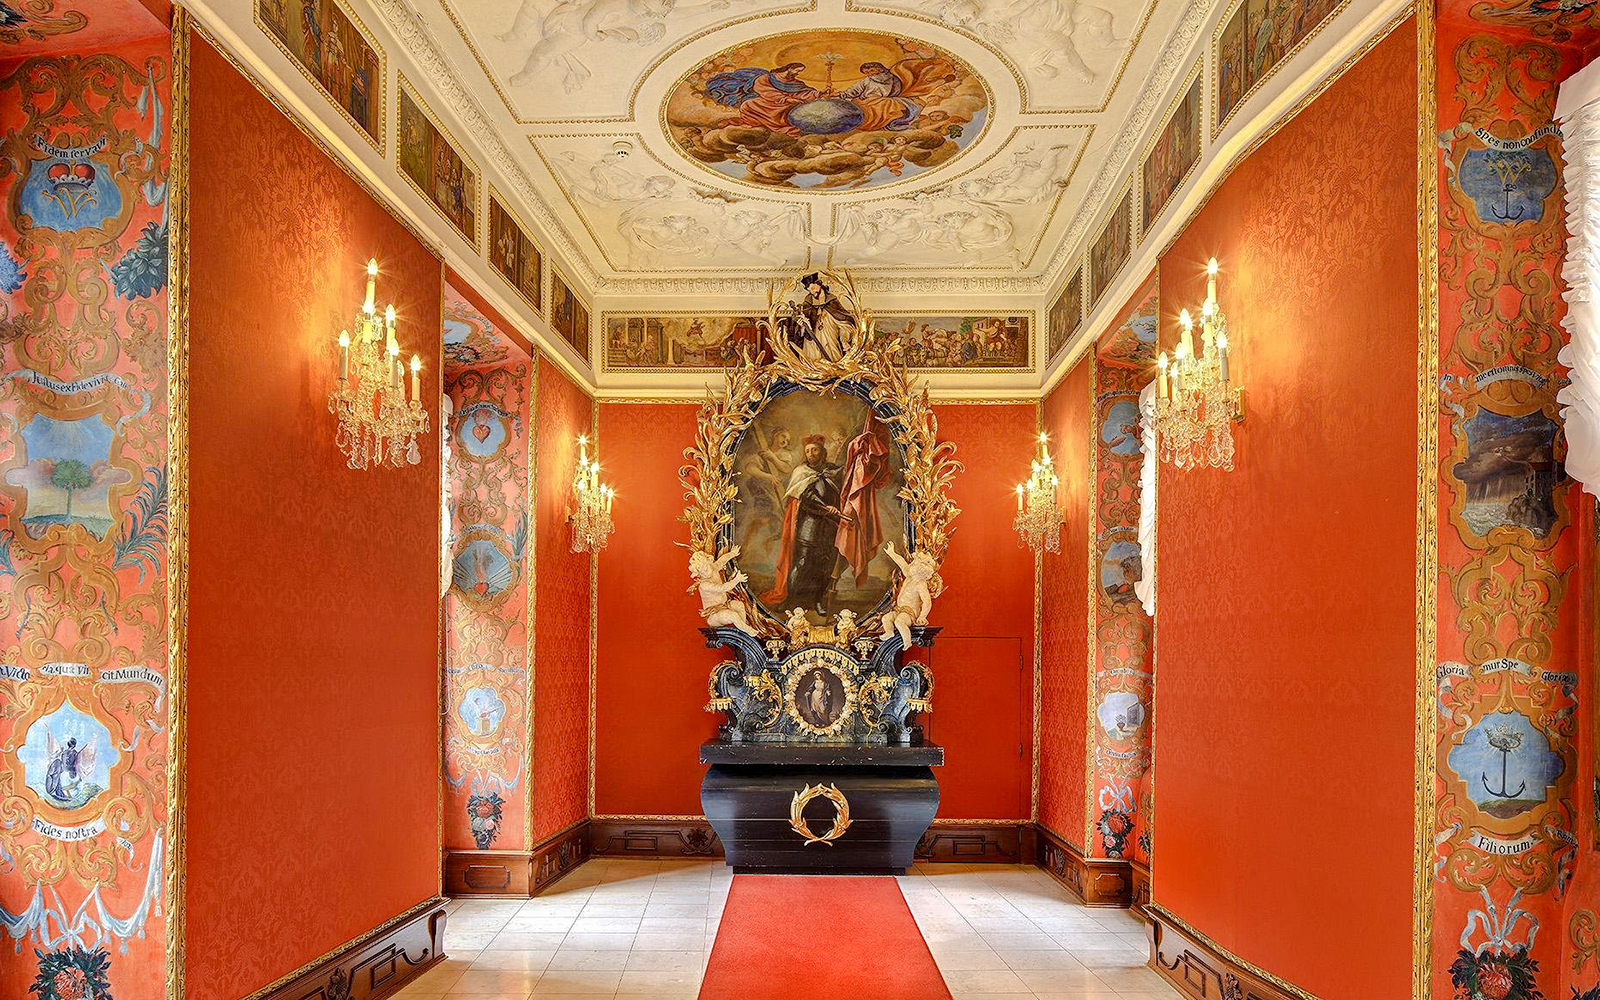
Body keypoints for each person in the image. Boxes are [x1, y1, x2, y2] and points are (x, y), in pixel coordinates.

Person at [761, 434, 848, 614]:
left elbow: (848, 481)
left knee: (824, 567)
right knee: (802, 564)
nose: (811, 454)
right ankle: (789, 601)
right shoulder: (801, 472)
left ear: (822, 452)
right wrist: (825, 507)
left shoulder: (833, 470)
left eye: (814, 450)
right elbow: (806, 497)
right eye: (808, 451)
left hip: (830, 527)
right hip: (809, 527)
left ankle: (818, 602)